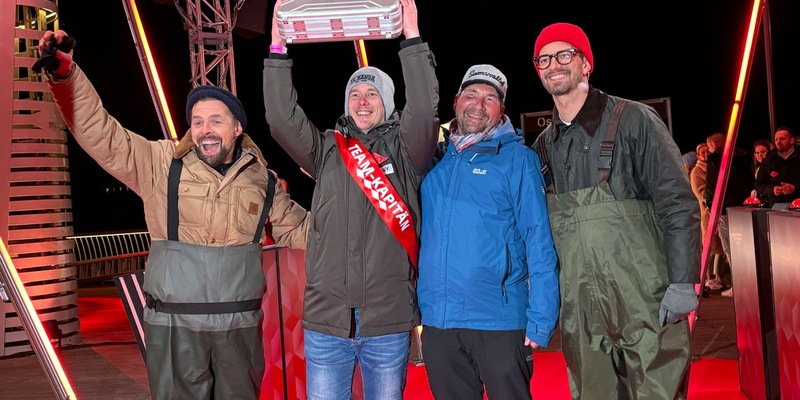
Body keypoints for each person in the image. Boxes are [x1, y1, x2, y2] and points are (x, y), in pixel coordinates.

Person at [38, 31, 310, 400]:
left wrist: (373, 223)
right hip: (174, 327)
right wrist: (67, 77)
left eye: (216, 121)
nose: (205, 130)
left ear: (237, 128)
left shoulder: (263, 180)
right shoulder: (159, 163)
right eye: (197, 122)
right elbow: (101, 133)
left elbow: (306, 231)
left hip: (238, 328)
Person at [263, 0, 439, 398]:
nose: (362, 101)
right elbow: (281, 120)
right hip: (327, 322)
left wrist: (412, 40)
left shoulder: (407, 151)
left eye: (372, 94)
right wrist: (277, 49)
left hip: (388, 323)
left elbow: (426, 114)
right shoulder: (326, 149)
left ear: (387, 103)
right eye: (355, 93)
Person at [530, 22, 700, 399]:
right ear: (538, 69)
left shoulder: (634, 120)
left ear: (586, 64)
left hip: (645, 297)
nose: (554, 64)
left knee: (659, 390)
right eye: (544, 58)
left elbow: (678, 202)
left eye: (564, 54)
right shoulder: (544, 145)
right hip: (581, 308)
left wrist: (684, 281)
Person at [417, 65, 560, 400]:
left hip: (500, 321)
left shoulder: (518, 160)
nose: (478, 104)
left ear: (501, 111)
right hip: (439, 323)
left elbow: (538, 240)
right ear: (455, 102)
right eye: (471, 95)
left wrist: (541, 317)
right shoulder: (432, 162)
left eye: (490, 98)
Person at [705, 143, 754, 298]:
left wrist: (711, 204)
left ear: (714, 145)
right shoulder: (744, 160)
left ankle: (739, 285)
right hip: (743, 209)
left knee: (730, 249)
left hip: (725, 209)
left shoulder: (715, 162)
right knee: (746, 248)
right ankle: (749, 284)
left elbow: (712, 187)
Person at [755, 126, 800, 207]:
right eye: (776, 139)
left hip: (797, 204)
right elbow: (759, 185)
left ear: (792, 140)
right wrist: (772, 190)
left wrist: (794, 188)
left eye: (782, 139)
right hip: (777, 206)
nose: (778, 142)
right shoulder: (768, 159)